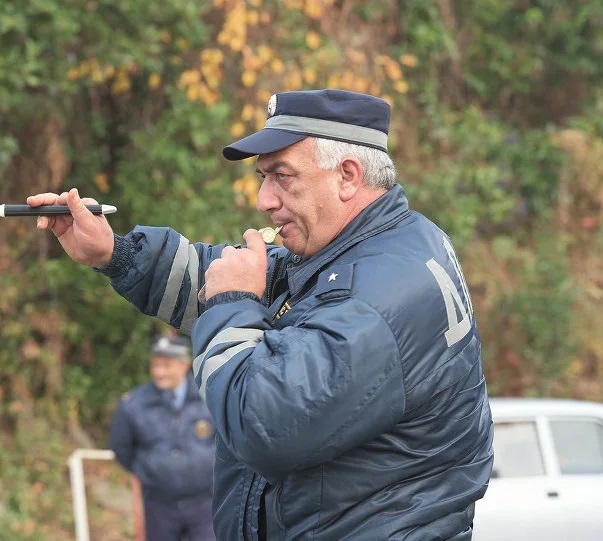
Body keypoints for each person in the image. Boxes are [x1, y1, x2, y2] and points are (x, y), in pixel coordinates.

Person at [31, 89, 494, 540]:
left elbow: (262, 423)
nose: (265, 200)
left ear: (348, 176)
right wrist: (114, 253)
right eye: (262, 178)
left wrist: (232, 305)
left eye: (283, 176)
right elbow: (242, 278)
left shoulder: (373, 299)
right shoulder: (375, 245)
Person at [108, 334, 217, 541]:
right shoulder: (133, 404)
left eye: (166, 365)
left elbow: (226, 442)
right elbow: (121, 447)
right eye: (155, 365)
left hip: (205, 505)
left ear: (184, 364)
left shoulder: (209, 395)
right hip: (159, 506)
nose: (159, 372)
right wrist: (149, 471)